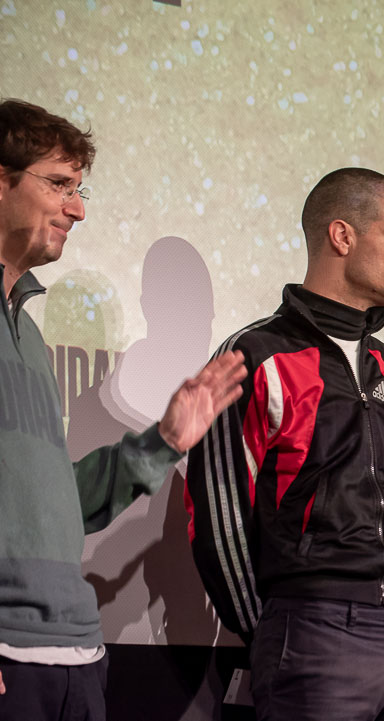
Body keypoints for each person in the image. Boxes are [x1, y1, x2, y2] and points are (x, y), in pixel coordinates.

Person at [0, 99, 246, 719]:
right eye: (59, 185)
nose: (77, 209)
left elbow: (60, 503)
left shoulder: (26, 334)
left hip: (75, 655)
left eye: (79, 190)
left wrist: (165, 441)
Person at [184, 168, 384, 721]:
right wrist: (272, 626)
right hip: (313, 630)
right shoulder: (254, 356)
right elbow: (218, 515)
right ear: (342, 236)